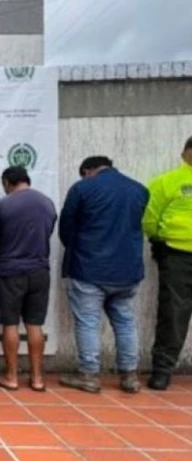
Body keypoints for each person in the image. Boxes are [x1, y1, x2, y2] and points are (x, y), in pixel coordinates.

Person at [59, 156, 148, 394]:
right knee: (125, 322)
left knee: (88, 322)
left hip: (89, 267)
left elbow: (67, 228)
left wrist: (77, 250)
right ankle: (130, 376)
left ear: (88, 171)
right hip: (127, 270)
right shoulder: (139, 190)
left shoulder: (82, 189)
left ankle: (89, 375)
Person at [0, 167, 56, 392]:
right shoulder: (47, 203)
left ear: (7, 182)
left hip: (10, 270)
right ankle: (37, 378)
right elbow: (48, 232)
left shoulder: (1, 206)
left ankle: (12, 376)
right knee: (35, 325)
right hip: (39, 270)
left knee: (10, 324)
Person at [143, 136, 192, 391]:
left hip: (176, 255)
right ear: (185, 153)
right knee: (173, 313)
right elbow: (150, 218)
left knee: (173, 312)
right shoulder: (166, 182)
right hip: (176, 255)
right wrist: (158, 240)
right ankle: (163, 369)